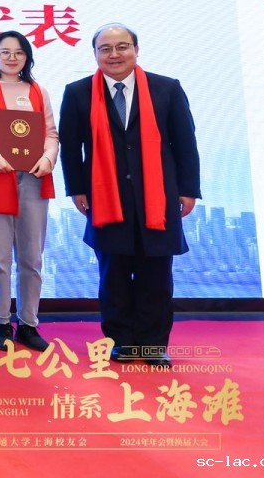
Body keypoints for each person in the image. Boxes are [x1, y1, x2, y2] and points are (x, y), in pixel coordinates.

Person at [59, 23, 200, 368]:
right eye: (105, 48)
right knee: (114, 276)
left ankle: (153, 345)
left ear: (136, 50)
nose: (114, 54)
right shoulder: (78, 93)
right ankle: (121, 341)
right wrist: (76, 188)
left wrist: (188, 189)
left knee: (156, 276)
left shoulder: (166, 88)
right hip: (104, 196)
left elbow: (185, 141)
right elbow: (71, 147)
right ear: (95, 54)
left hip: (158, 197)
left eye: (122, 47)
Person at [0, 31, 57, 353]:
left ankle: (29, 323)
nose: (11, 58)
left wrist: (48, 158)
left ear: (27, 57)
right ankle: (2, 322)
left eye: (18, 52)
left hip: (33, 178)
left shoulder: (38, 91)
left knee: (32, 258)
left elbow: (51, 134)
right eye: (4, 52)